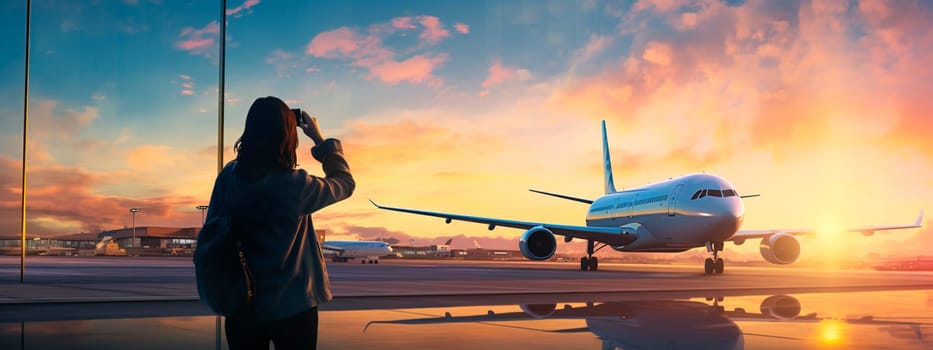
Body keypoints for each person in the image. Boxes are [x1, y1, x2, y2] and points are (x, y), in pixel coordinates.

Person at [205, 96, 355, 349]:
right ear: (288, 135)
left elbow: (213, 229)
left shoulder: (229, 177)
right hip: (294, 307)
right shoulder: (295, 185)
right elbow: (344, 183)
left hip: (241, 303)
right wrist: (321, 141)